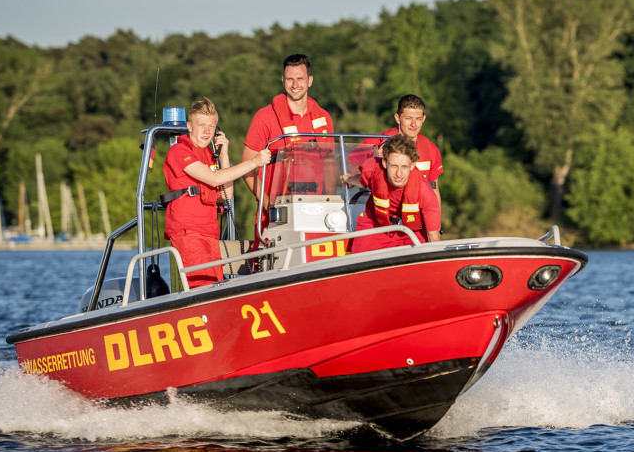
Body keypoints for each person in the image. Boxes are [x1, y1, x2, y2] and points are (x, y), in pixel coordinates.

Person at [163, 97, 271, 288]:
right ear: (189, 126)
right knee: (203, 287)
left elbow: (227, 194)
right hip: (190, 233)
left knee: (217, 284)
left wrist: (224, 154)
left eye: (211, 126)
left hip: (210, 234)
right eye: (201, 125)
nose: (207, 131)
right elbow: (213, 179)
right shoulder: (179, 152)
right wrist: (253, 162)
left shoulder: (210, 156)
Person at [242, 54, 335, 211]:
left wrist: (330, 203)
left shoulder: (324, 117)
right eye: (290, 79)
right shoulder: (264, 117)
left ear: (310, 81)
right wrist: (266, 204)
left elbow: (329, 163)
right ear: (283, 80)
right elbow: (246, 166)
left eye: (300, 78)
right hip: (277, 210)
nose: (295, 84)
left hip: (316, 208)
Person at [341, 134, 441, 253]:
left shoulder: (425, 193)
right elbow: (361, 180)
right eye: (394, 166)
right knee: (358, 261)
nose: (399, 174)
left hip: (411, 232)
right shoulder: (373, 171)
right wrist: (349, 180)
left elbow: (434, 238)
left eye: (404, 166)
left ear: (412, 165)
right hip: (375, 226)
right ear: (384, 163)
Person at [350, 94, 444, 205]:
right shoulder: (375, 142)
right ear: (397, 118)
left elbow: (434, 190)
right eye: (408, 118)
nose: (413, 124)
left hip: (414, 215)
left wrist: (436, 222)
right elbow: (348, 172)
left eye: (418, 119)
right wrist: (374, 163)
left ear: (423, 119)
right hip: (379, 212)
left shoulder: (431, 150)